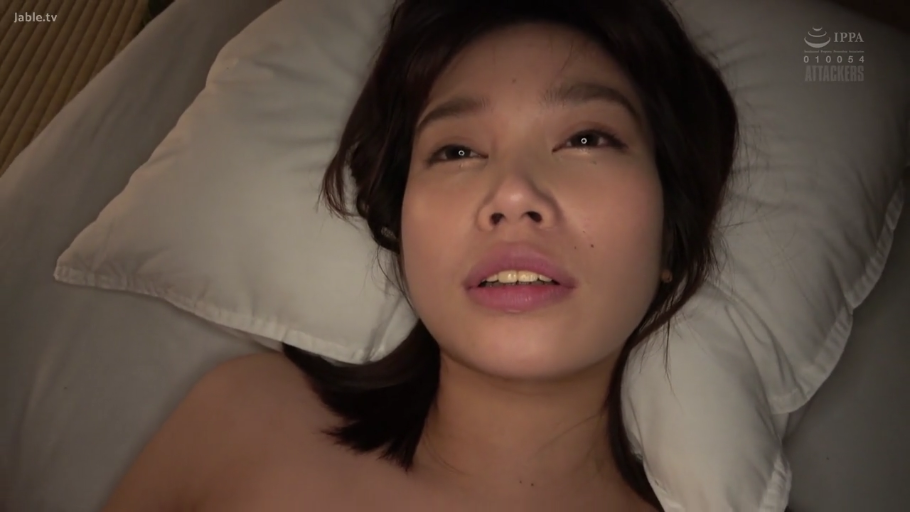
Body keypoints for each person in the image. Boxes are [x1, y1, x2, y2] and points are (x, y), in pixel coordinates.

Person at [102, 0, 738, 510]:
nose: (514, 193)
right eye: (456, 151)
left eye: (586, 139)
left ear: (671, 236)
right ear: (401, 229)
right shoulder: (242, 419)